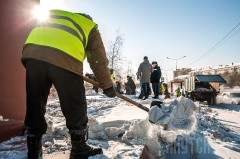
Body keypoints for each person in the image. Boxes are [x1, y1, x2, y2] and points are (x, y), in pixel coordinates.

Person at [21, 10, 116, 159]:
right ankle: (79, 148)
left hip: (33, 54)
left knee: (35, 104)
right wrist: (107, 85)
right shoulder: (89, 25)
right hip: (66, 57)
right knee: (75, 104)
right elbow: (98, 59)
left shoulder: (57, 15)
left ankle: (33, 150)